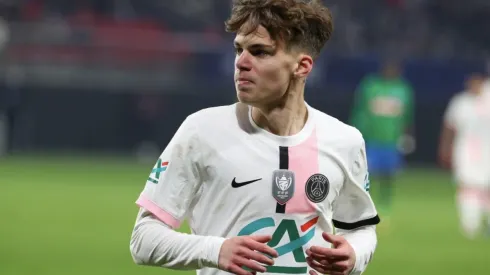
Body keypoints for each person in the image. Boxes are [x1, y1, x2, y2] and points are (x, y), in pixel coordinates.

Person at [130, 1, 380, 275]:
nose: (241, 62)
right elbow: (143, 239)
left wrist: (354, 255)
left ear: (302, 66)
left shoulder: (344, 141)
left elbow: (361, 228)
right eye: (239, 49)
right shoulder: (202, 131)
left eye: (260, 52)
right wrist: (215, 250)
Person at [349, 59, 415, 219]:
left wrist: (407, 135)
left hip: (391, 140)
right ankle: (363, 204)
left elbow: (407, 116)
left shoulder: (403, 89)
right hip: (371, 139)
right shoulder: (371, 86)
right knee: (365, 173)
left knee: (388, 174)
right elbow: (359, 110)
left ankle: (385, 204)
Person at [438, 73, 490, 239]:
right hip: (465, 151)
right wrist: (445, 149)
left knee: (485, 188)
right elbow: (449, 127)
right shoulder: (460, 103)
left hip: (487, 151)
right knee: (467, 186)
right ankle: (470, 225)